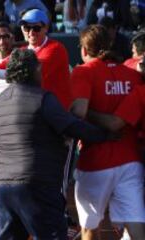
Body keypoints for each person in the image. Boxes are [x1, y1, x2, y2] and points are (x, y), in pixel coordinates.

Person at [0, 48, 109, 240]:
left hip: (5, 187)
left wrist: (1, 171)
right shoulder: (43, 98)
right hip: (39, 185)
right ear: (34, 71)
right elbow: (71, 126)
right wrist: (106, 134)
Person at [70, 24, 145, 240]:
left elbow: (79, 111)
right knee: (135, 224)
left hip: (95, 162)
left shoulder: (83, 72)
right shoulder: (132, 74)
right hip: (130, 161)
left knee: (89, 227)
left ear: (84, 49)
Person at [19, 8, 72, 109]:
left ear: (46, 28)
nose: (31, 32)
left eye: (36, 28)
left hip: (57, 111)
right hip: (35, 109)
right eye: (26, 28)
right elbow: (2, 65)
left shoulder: (56, 48)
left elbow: (34, 72)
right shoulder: (21, 51)